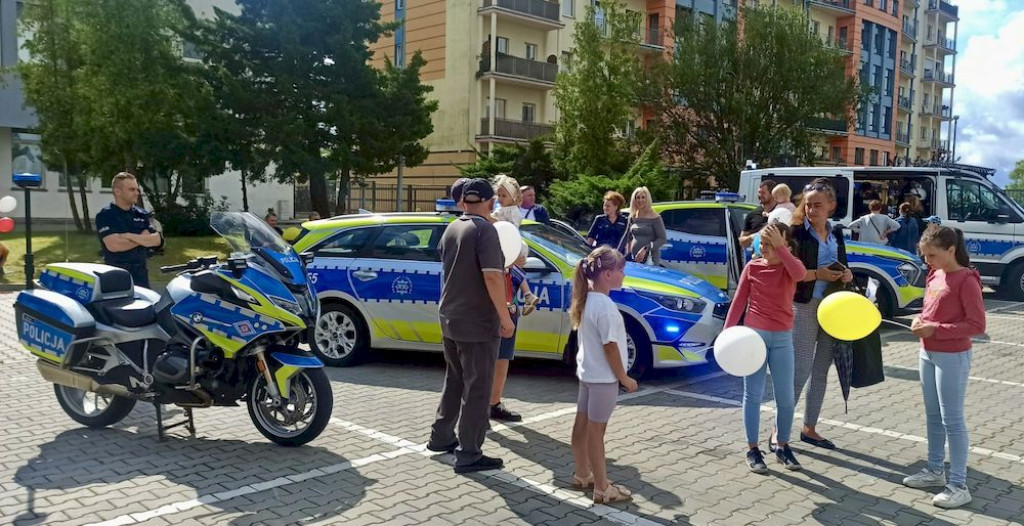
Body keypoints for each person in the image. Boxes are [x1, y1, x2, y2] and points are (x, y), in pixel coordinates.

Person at [427, 178, 515, 474]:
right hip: (477, 322)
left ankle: (441, 436)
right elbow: (492, 277)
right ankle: (469, 452)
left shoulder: (453, 227)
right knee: (478, 387)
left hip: (450, 315)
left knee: (455, 379)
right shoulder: (485, 230)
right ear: (492, 202)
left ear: (464, 201)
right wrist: (505, 317)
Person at [902, 226, 986, 509]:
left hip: (953, 357)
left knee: (952, 420)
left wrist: (934, 329)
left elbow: (977, 326)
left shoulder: (967, 280)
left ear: (951, 250)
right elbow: (930, 309)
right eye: (924, 255)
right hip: (927, 353)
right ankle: (935, 471)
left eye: (933, 255)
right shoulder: (935, 273)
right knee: (933, 416)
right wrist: (919, 320)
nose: (928, 261)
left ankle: (959, 485)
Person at [773, 178, 853, 452]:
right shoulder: (795, 233)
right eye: (807, 204)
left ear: (831, 206)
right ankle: (778, 430)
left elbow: (844, 263)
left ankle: (809, 428)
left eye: (818, 205)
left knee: (821, 372)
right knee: (799, 371)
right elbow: (785, 271)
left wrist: (847, 274)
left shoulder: (837, 233)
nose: (811, 210)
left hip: (833, 306)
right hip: (804, 305)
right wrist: (817, 274)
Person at [726, 223, 809, 474]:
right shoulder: (752, 267)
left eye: (771, 243)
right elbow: (738, 302)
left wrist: (781, 247)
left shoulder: (789, 267)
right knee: (753, 394)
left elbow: (801, 274)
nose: (765, 248)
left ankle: (782, 446)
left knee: (786, 397)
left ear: (785, 245)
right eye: (762, 243)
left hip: (782, 338)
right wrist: (726, 336)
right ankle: (753, 449)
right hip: (754, 338)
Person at [569, 245, 637, 504]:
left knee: (582, 426)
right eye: (621, 270)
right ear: (607, 274)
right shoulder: (605, 306)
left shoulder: (587, 301)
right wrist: (624, 378)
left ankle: (582, 473)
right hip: (603, 380)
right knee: (597, 433)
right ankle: (601, 487)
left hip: (588, 375)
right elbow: (611, 346)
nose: (623, 275)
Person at [95, 172, 163, 288]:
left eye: (137, 189)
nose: (137, 193)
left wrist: (127, 236)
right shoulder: (106, 215)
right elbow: (114, 245)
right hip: (116, 276)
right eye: (132, 190)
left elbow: (157, 240)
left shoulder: (142, 214)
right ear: (117, 191)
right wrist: (142, 238)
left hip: (141, 276)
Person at [490, 242, 530, 423]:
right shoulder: (497, 271)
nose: (524, 260)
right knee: (490, 364)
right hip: (496, 318)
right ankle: (482, 409)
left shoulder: (512, 272)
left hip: (508, 316)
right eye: (521, 256)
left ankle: (493, 404)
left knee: (502, 361)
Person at [491, 175, 540, 315]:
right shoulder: (509, 209)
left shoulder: (510, 211)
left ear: (512, 197)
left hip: (511, 245)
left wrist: (488, 218)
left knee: (511, 268)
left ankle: (525, 295)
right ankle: (527, 294)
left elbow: (506, 226)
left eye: (503, 195)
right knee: (513, 270)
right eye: (498, 195)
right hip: (511, 245)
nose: (500, 198)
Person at [617, 187, 666, 266]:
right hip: (634, 259)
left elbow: (662, 239)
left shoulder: (655, 217)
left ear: (648, 199)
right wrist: (622, 254)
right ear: (634, 200)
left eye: (643, 197)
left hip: (650, 259)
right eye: (638, 198)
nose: (640, 200)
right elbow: (628, 238)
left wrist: (646, 248)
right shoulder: (632, 216)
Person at [739, 179, 777, 248]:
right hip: (758, 256)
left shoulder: (780, 212)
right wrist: (753, 237)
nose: (760, 195)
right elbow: (741, 241)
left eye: (763, 193)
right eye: (759, 192)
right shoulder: (752, 214)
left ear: (772, 194)